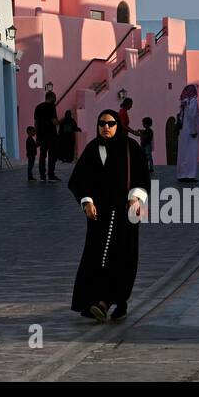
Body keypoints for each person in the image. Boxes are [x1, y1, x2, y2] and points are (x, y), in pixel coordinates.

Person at [67, 109, 150, 322]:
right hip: (99, 216)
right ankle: (95, 301)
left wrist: (135, 197)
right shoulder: (92, 149)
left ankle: (109, 302)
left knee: (122, 258)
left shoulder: (131, 148)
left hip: (125, 215)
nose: (106, 127)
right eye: (102, 123)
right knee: (97, 258)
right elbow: (78, 179)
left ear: (118, 126)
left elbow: (142, 176)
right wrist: (87, 201)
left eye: (111, 123)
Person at [33, 90, 60, 182]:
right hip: (51, 135)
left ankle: (42, 175)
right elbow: (54, 122)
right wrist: (62, 120)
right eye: (54, 97)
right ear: (51, 97)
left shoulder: (38, 107)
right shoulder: (52, 107)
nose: (55, 99)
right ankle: (51, 175)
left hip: (41, 135)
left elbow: (36, 123)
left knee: (42, 155)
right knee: (52, 156)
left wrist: (37, 136)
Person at [176, 84, 199, 184]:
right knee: (190, 153)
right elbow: (192, 116)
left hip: (185, 131)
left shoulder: (186, 102)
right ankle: (189, 174)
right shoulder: (192, 102)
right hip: (190, 132)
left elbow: (184, 116)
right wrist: (194, 130)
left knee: (185, 152)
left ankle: (183, 174)